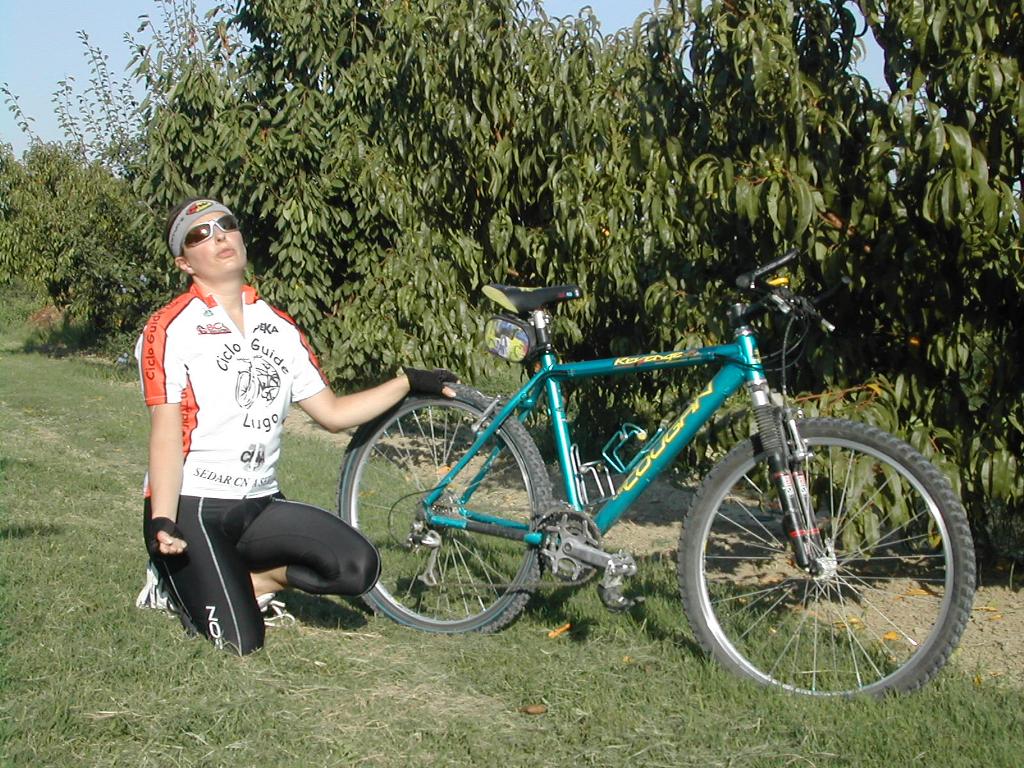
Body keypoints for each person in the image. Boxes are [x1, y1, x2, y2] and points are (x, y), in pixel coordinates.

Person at [134, 197, 457, 655]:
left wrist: (406, 382)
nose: (219, 236)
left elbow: (332, 413)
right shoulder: (169, 327)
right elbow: (166, 432)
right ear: (184, 263)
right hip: (195, 504)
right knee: (241, 644)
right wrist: (163, 520)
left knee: (357, 567)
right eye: (199, 234)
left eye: (226, 224)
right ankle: (174, 583)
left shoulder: (279, 327)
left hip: (260, 501)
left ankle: (244, 578)